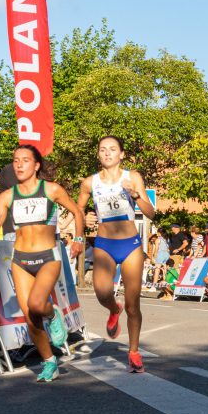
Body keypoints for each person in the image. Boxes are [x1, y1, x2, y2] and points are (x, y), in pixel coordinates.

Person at [0, 145, 84, 382]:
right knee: (30, 316)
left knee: (38, 304)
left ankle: (53, 315)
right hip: (20, 259)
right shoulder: (7, 196)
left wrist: (79, 240)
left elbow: (78, 212)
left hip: (48, 257)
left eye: (25, 160)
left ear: (36, 165)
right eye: (15, 161)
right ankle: (49, 361)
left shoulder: (52, 190)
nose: (19, 165)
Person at [76, 135, 156, 373]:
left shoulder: (132, 177)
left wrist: (137, 195)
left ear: (121, 154)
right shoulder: (90, 183)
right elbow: (78, 208)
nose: (107, 153)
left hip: (131, 245)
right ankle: (113, 309)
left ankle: (133, 352)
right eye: (102, 149)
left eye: (112, 149)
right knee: (102, 292)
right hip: (104, 244)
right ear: (98, 154)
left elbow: (150, 213)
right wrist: (84, 220)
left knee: (133, 304)